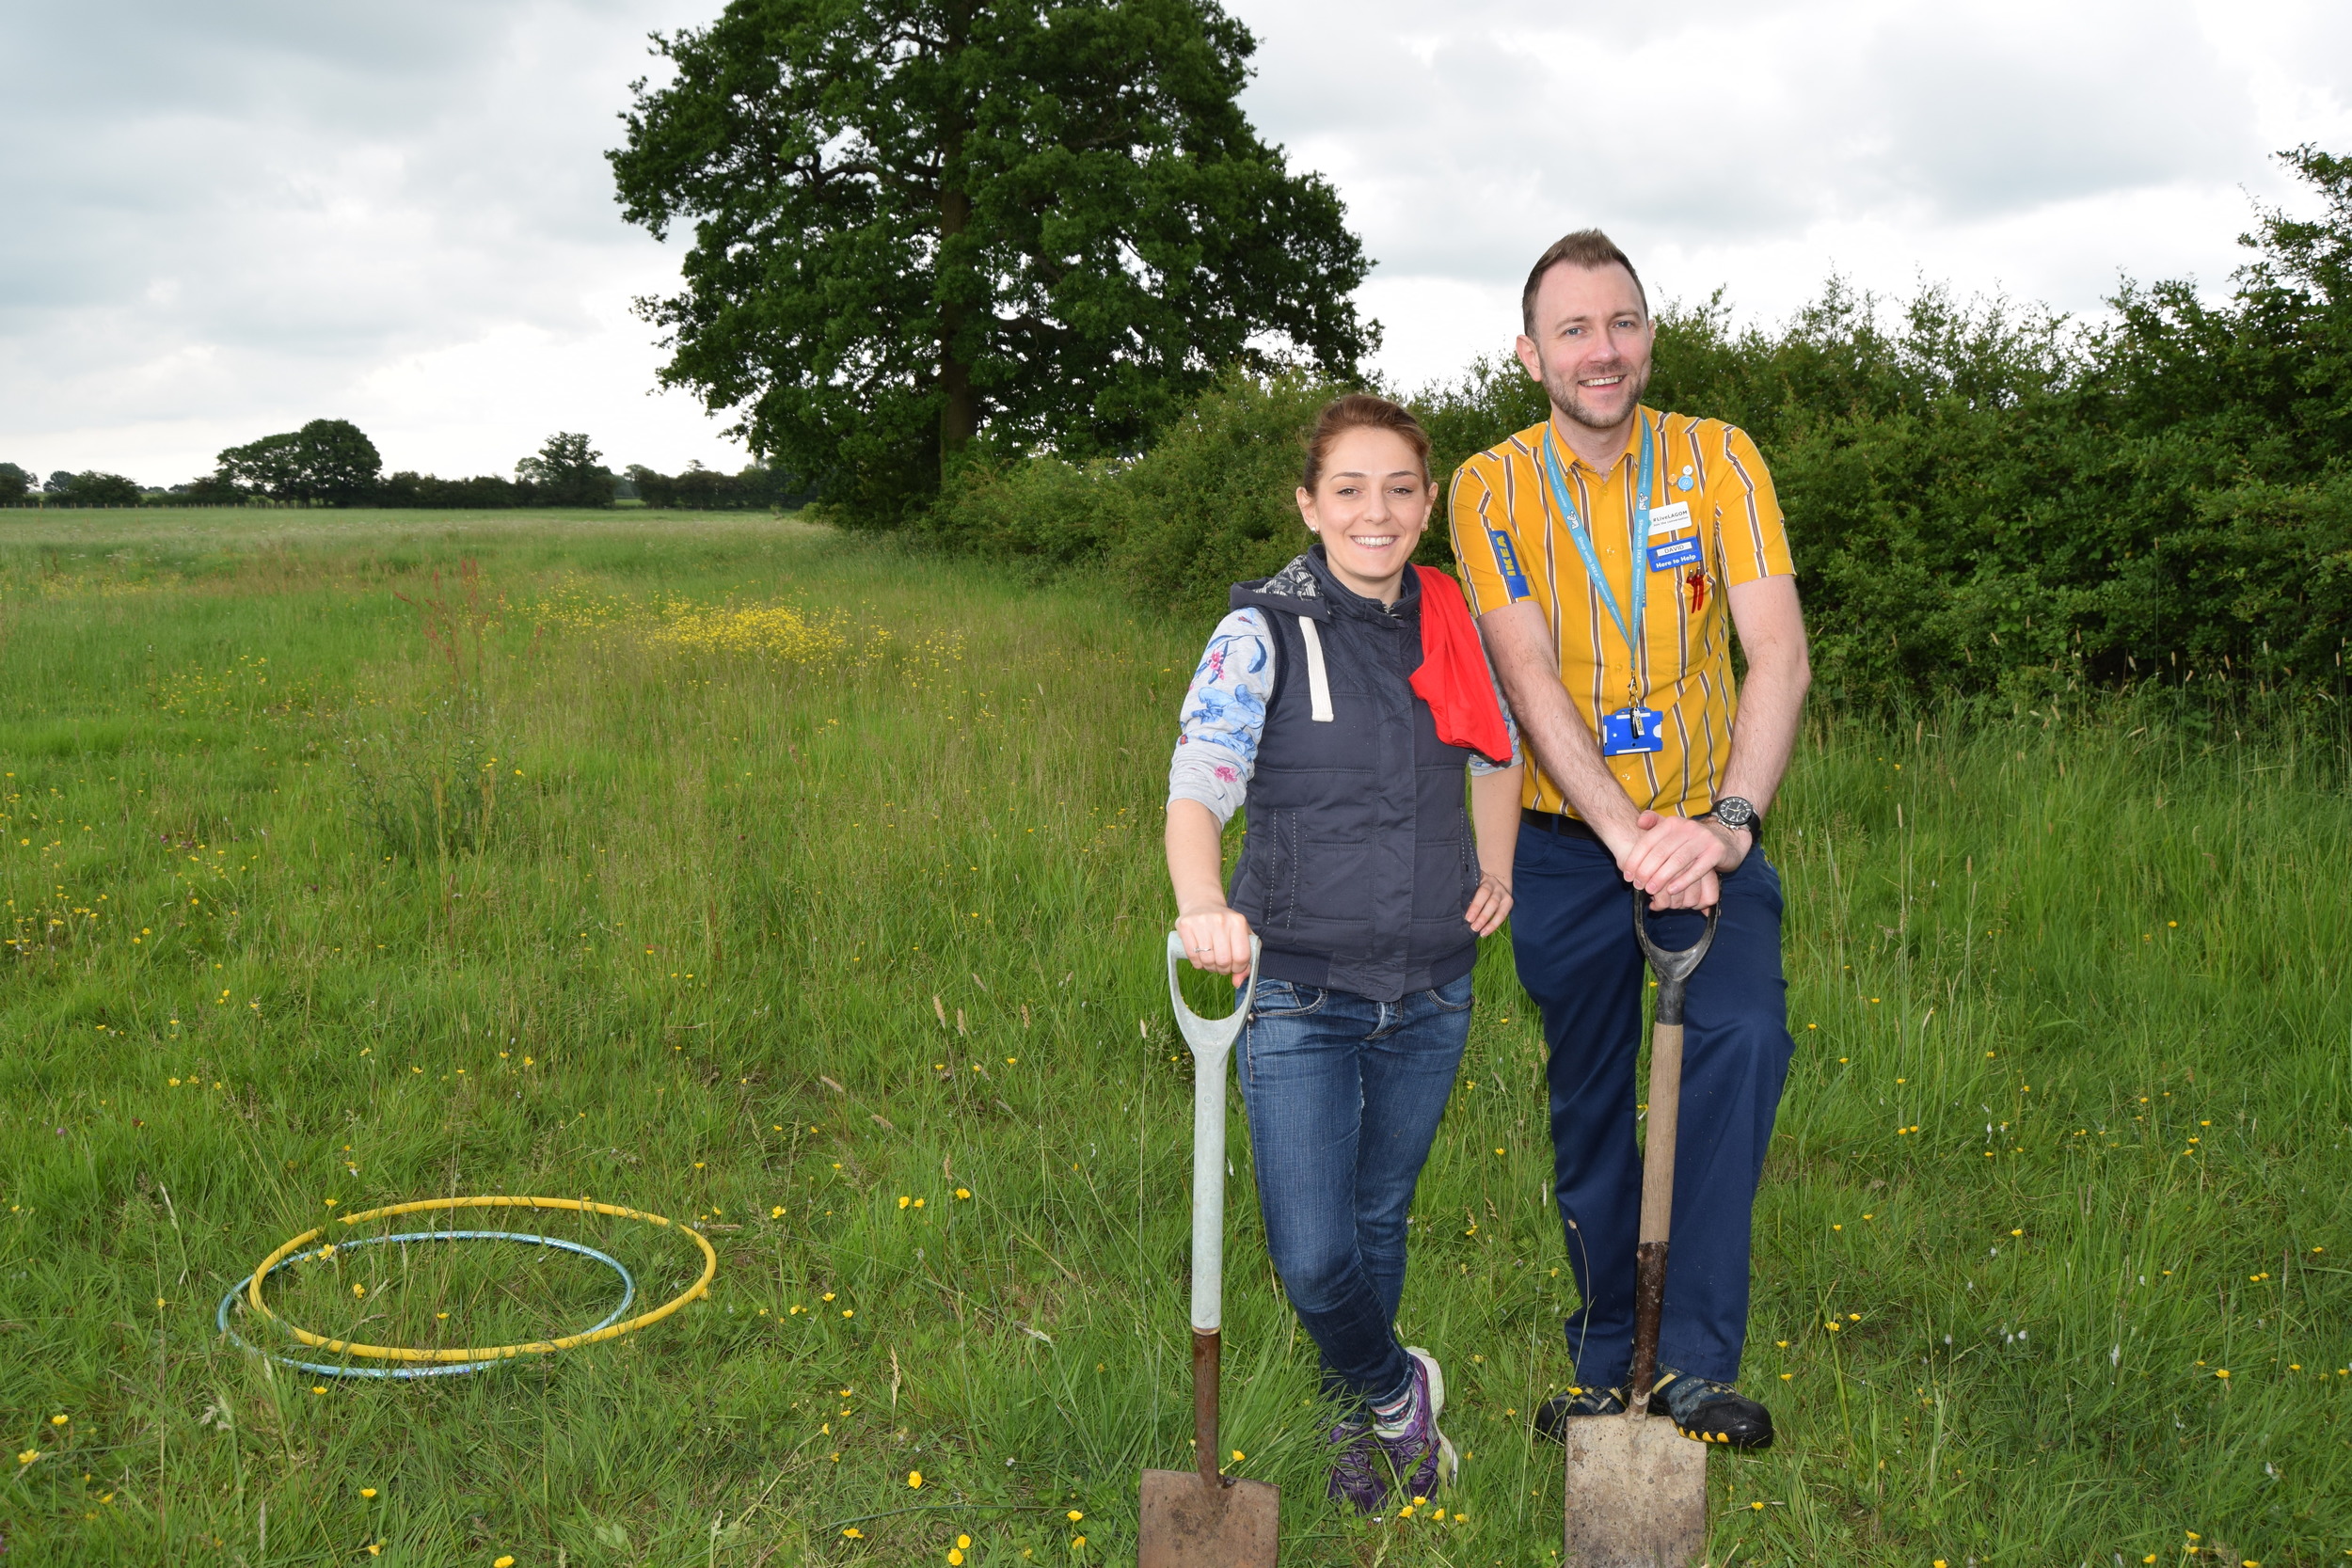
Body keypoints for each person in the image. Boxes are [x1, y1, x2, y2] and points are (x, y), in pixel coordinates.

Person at [1449, 230, 1811, 1450]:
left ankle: (1695, 1362)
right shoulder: (1490, 485)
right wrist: (1620, 832)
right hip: (1566, 844)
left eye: (1623, 322)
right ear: (1530, 352)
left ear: (1648, 333)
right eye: (1573, 328)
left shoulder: (1719, 459)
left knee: (1744, 1041)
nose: (1602, 350)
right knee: (1594, 1094)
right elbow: (1527, 673)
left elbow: (1778, 653)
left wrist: (1723, 827)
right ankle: (1609, 1362)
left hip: (1709, 831)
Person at [1165, 393, 1524, 1513]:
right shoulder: (1258, 630)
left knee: (1377, 1223)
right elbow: (1197, 785)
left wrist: (1496, 869)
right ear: (1311, 503)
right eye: (1351, 489)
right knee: (1315, 1255)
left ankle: (1355, 1429)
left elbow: (1499, 751)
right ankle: (1393, 1390)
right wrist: (1201, 901)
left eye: (1402, 489)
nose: (1379, 511)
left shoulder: (1456, 617)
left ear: (1428, 502)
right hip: (1300, 989)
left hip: (1431, 987)